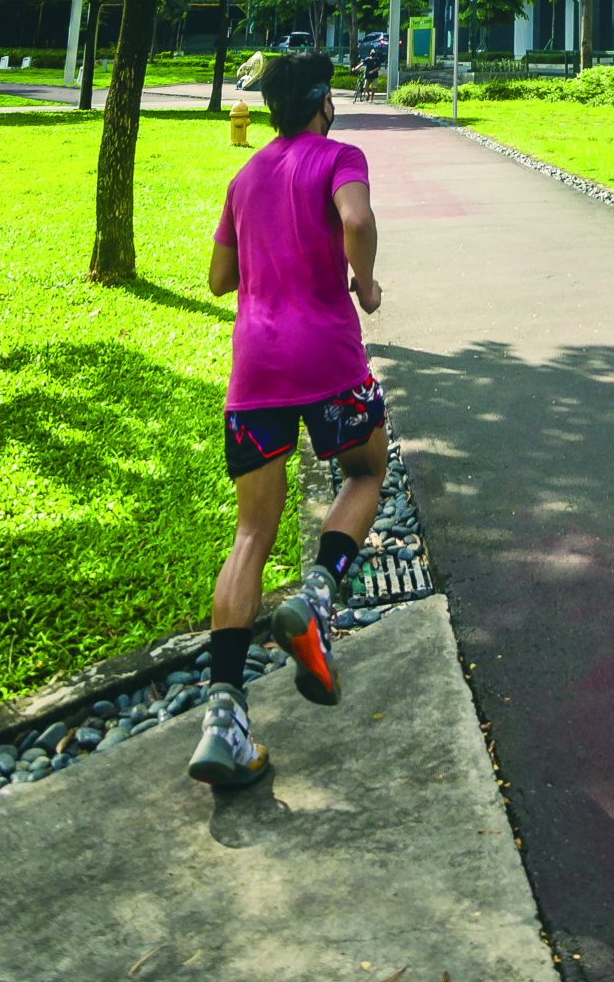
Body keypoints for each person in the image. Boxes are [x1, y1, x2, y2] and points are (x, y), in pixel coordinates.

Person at [187, 50, 387, 790]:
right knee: (366, 471)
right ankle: (318, 596)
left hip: (255, 373)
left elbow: (217, 280)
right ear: (323, 101)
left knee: (249, 536)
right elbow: (357, 217)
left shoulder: (244, 178)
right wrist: (361, 279)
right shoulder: (340, 155)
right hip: (328, 361)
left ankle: (225, 720)